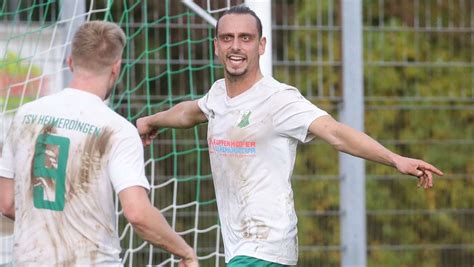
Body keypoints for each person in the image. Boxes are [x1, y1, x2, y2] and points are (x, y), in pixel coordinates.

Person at [136, 6, 443, 267]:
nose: (236, 46)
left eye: (246, 38)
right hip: (240, 247)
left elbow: (335, 133)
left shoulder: (279, 99)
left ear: (261, 45)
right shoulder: (217, 96)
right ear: (216, 45)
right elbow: (190, 112)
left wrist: (395, 159)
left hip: (266, 244)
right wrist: (151, 121)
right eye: (227, 38)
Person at [0, 21, 198, 266]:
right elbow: (137, 214)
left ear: (70, 61)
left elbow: (7, 203)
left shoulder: (24, 115)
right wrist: (185, 251)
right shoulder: (118, 130)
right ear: (116, 68)